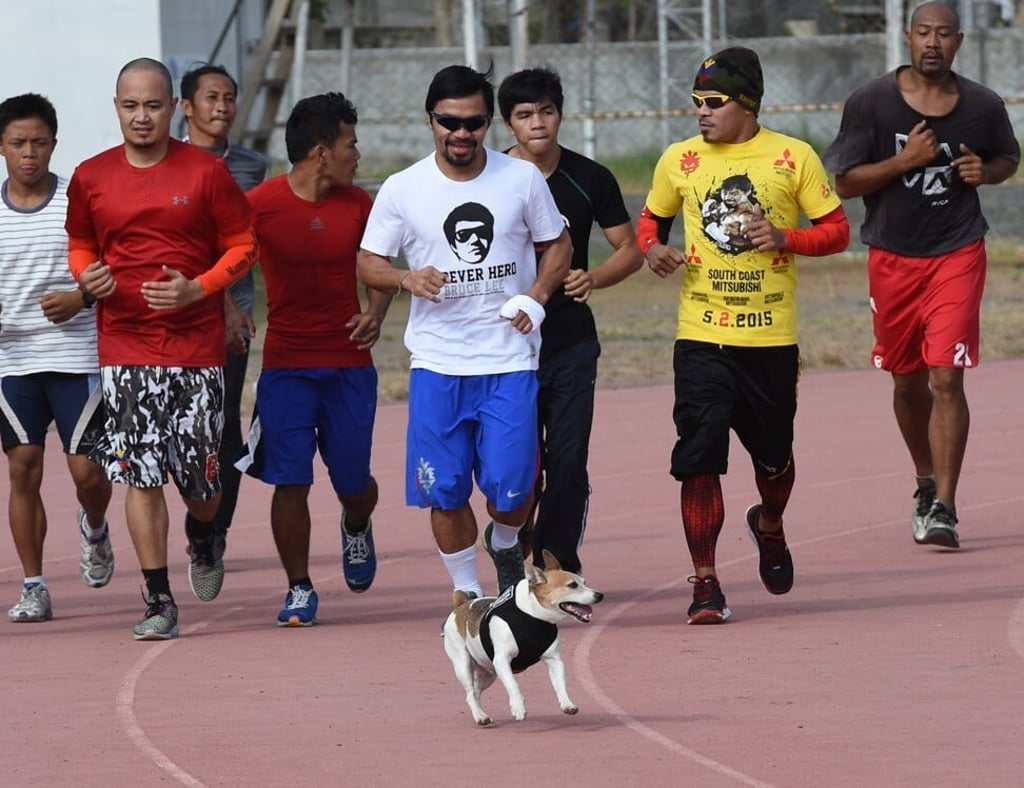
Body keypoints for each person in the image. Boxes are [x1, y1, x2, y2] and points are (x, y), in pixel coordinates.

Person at [638, 47, 850, 624]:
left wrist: (786, 238)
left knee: (774, 458)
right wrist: (651, 249)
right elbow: (651, 219)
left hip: (770, 339)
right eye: (696, 102)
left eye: (713, 103)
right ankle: (705, 582)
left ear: (747, 104)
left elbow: (836, 231)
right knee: (699, 455)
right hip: (701, 335)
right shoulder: (678, 160)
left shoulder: (792, 156)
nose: (701, 113)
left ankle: (771, 523)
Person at [357, 64, 572, 597]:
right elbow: (368, 262)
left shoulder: (520, 179)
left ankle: (503, 540)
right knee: (444, 491)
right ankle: (468, 595)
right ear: (430, 121)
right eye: (448, 122)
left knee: (512, 490)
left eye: (473, 122)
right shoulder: (403, 188)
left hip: (509, 361)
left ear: (488, 124)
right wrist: (406, 277)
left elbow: (558, 245)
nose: (461, 133)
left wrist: (537, 298)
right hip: (437, 363)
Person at [65, 58, 257, 640]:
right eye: (130, 106)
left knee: (201, 486)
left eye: (152, 105)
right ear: (116, 107)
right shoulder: (91, 175)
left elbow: (244, 244)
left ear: (173, 107)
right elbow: (80, 242)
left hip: (198, 350)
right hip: (124, 346)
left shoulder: (205, 172)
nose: (141, 117)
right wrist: (87, 278)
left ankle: (204, 535)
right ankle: (157, 596)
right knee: (139, 476)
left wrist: (199, 288)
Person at [823, 0, 1019, 549]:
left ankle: (947, 509)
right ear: (907, 38)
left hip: (957, 251)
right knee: (907, 381)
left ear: (959, 41)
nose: (933, 42)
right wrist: (903, 162)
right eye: (923, 32)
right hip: (892, 257)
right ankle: (925, 482)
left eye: (944, 34)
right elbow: (845, 183)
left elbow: (1008, 156)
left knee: (946, 376)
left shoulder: (982, 104)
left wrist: (989, 172)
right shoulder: (871, 102)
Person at [236, 92, 386, 627]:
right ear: (322, 152)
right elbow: (221, 264)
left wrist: (377, 311)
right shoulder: (260, 204)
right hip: (286, 366)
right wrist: (231, 311)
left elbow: (381, 266)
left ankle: (355, 522)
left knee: (354, 483)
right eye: (351, 144)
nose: (358, 154)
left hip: (349, 365)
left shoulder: (363, 205)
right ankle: (299, 587)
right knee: (289, 478)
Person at [496, 67, 643, 574]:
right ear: (508, 125)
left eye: (546, 111)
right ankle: (511, 545)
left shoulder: (590, 178)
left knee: (567, 457)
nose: (537, 123)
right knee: (516, 464)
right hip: (505, 345)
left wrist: (595, 278)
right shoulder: (491, 179)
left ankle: (558, 562)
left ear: (560, 114)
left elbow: (631, 249)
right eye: (523, 115)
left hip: (570, 342)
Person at [0, 93, 114, 623]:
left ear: (54, 144)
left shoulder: (80, 200)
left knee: (88, 472)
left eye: (39, 143)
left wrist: (81, 298)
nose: (29, 153)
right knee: (23, 468)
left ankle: (94, 527)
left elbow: (111, 273)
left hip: (78, 354)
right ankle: (34, 585)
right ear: (1, 146)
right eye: (18, 143)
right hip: (14, 361)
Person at [179, 64, 267, 562]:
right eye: (211, 97)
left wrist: (236, 306)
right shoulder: (165, 162)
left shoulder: (251, 165)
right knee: (182, 427)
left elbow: (246, 240)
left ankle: (214, 534)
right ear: (186, 107)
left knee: (224, 423)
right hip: (179, 314)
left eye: (229, 97)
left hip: (235, 321)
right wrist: (223, 301)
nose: (222, 107)